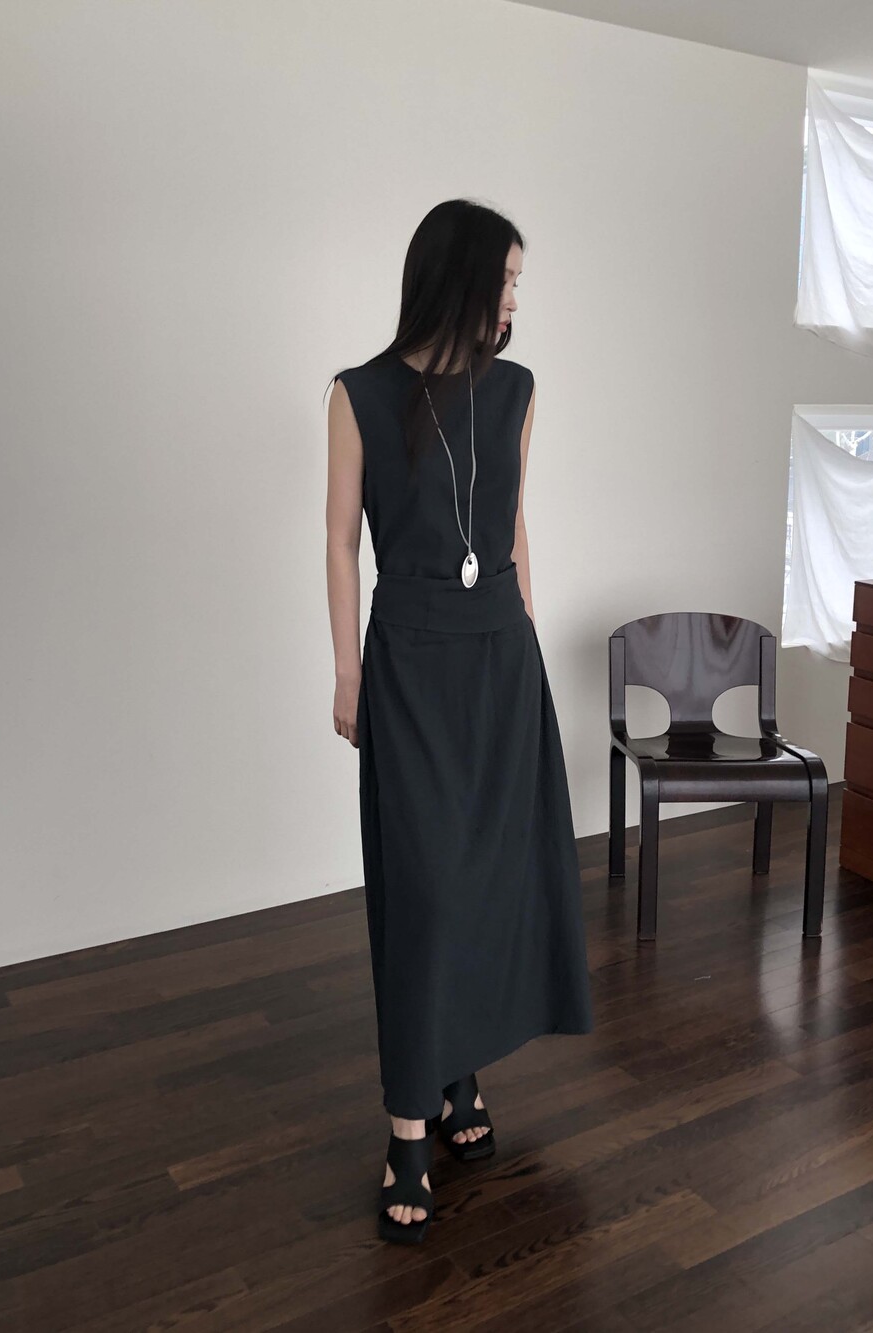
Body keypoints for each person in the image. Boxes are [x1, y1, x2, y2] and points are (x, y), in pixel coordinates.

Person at [325, 199, 593, 1244]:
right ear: (461, 277)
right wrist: (346, 672)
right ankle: (407, 1128)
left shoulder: (516, 390)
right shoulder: (358, 395)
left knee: (487, 880)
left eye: (520, 281)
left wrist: (528, 641)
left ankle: (458, 1076)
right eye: (507, 278)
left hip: (499, 655)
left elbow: (514, 524)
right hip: (408, 658)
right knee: (425, 890)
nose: (516, 298)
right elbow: (340, 543)